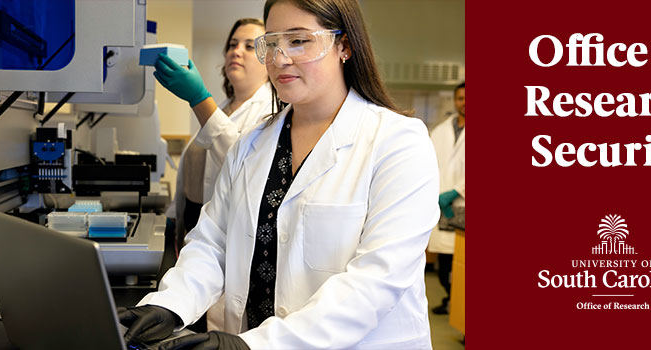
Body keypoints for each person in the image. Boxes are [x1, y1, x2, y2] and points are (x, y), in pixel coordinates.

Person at [117, 0, 440, 348]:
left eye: (299, 41)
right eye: (271, 43)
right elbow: (213, 243)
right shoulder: (251, 145)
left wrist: (252, 345)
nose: (279, 57)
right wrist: (170, 305)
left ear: (344, 46)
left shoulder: (398, 142)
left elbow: (375, 282)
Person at [156, 17, 272, 332]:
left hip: (222, 241)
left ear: (269, 62)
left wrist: (198, 100)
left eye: (251, 46)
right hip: (192, 232)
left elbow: (243, 164)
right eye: (233, 44)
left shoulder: (270, 111)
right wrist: (169, 218)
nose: (238, 51)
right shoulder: (228, 106)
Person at [427, 82, 466, 315]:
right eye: (460, 98)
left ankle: (459, 305)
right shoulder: (440, 131)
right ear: (455, 100)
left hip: (462, 203)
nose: (464, 103)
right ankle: (450, 298)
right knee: (443, 261)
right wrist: (438, 194)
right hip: (440, 202)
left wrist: (457, 191)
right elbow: (429, 163)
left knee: (462, 263)